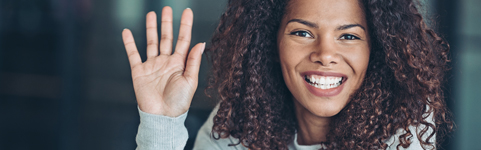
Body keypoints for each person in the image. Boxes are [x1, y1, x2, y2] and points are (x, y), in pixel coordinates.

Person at [121, 0, 453, 149]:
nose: (325, 54)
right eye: (302, 33)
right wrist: (160, 125)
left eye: (349, 36)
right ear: (271, 41)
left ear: (376, 50)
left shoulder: (402, 127)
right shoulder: (234, 127)